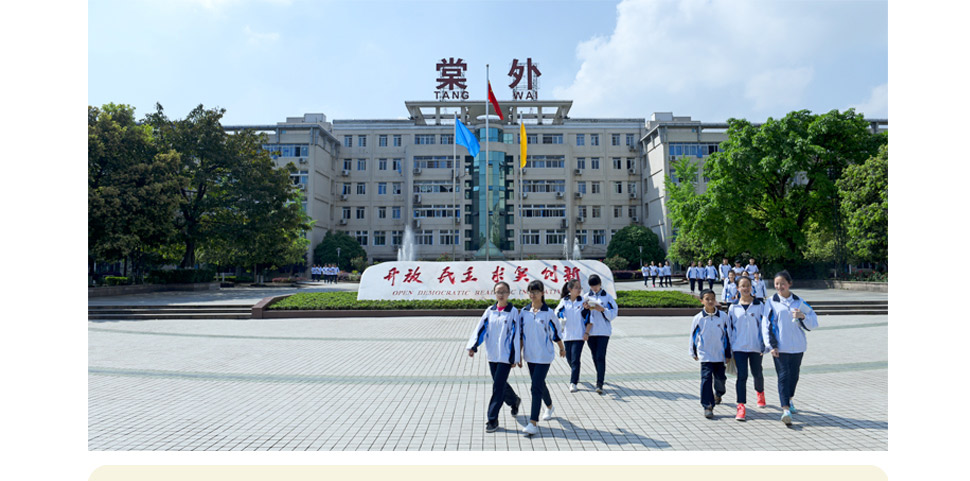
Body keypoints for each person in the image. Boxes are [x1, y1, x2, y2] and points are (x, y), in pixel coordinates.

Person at [762, 270, 818, 426]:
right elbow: (766, 325)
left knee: (794, 376)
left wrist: (803, 316)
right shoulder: (771, 302)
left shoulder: (799, 302)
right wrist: (770, 345)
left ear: (789, 284)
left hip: (798, 346)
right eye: (776, 284)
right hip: (779, 347)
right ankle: (785, 409)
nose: (779, 287)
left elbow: (814, 320)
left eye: (782, 283)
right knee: (783, 376)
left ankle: (790, 398)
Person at [465, 281, 523, 433]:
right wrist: (473, 346)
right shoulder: (490, 311)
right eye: (498, 292)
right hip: (492, 355)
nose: (501, 294)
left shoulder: (513, 312)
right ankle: (514, 400)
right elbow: (480, 329)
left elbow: (516, 335)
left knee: (497, 387)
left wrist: (515, 357)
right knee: (500, 384)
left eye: (504, 291)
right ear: (495, 294)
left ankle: (492, 419)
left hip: (505, 356)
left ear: (509, 293)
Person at [519, 280, 566, 436]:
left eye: (536, 292)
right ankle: (550, 406)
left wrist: (561, 348)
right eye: (530, 292)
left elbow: (556, 333)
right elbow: (520, 335)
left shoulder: (548, 313)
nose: (532, 295)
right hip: (530, 356)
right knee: (539, 383)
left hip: (544, 355)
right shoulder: (524, 312)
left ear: (542, 293)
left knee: (535, 387)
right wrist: (519, 354)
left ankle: (533, 423)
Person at [727, 276, 769, 421]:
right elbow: (729, 329)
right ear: (738, 288)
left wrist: (765, 345)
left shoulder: (759, 305)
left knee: (757, 372)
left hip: (755, 346)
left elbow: (764, 326)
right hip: (738, 347)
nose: (745, 288)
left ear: (751, 287)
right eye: (742, 286)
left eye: (747, 285)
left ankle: (760, 392)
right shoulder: (733, 307)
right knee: (742, 376)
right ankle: (741, 406)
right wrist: (729, 348)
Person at [689, 289, 731, 419]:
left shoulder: (723, 317)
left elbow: (728, 335)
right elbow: (693, 336)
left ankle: (719, 393)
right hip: (705, 355)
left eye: (712, 298)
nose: (710, 301)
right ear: (702, 301)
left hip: (719, 355)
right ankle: (707, 406)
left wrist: (728, 353)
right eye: (707, 299)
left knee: (720, 379)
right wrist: (693, 352)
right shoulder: (698, 318)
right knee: (706, 379)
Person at [555, 279, 593, 393]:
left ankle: (573, 382)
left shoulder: (583, 302)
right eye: (576, 287)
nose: (579, 290)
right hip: (566, 335)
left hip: (579, 335)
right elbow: (557, 312)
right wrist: (561, 314)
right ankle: (575, 373)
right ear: (570, 289)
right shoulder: (564, 301)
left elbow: (588, 318)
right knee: (569, 358)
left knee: (575, 359)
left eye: (580, 287)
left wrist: (586, 333)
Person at [584, 274, 618, 394]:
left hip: (603, 331)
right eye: (592, 286)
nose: (594, 288)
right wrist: (585, 309)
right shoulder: (586, 297)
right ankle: (600, 374)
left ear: (600, 284)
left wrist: (603, 309)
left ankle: (600, 383)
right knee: (594, 356)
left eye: (596, 286)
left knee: (600, 356)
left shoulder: (607, 297)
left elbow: (614, 313)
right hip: (591, 332)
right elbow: (580, 314)